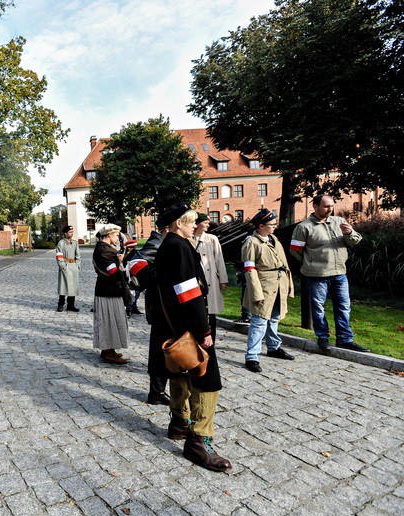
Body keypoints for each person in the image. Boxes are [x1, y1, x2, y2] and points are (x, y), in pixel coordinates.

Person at [149, 204, 231, 472]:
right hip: (189, 325)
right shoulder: (179, 246)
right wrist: (203, 329)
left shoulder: (170, 245)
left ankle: (179, 422)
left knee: (179, 373)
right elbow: (188, 292)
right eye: (190, 222)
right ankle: (199, 440)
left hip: (173, 324)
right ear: (177, 224)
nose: (194, 225)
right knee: (207, 379)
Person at [290, 195, 367, 352]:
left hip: (339, 273)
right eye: (326, 206)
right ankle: (323, 337)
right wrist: (310, 263)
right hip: (317, 275)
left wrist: (349, 233)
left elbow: (356, 240)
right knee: (318, 308)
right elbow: (295, 250)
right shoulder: (304, 227)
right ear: (316, 206)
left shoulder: (339, 222)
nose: (330, 209)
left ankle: (345, 339)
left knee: (344, 306)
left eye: (332, 206)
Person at [242, 209, 296, 372]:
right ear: (261, 226)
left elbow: (283, 262)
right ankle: (252, 356)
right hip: (264, 286)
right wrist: (256, 292)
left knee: (274, 318)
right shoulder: (252, 242)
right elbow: (249, 269)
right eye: (271, 224)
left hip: (278, 285)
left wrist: (288, 285)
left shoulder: (273, 239)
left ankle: (273, 347)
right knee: (259, 321)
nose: (274, 226)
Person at [130, 220, 170, 405]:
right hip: (161, 306)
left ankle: (160, 390)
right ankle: (156, 391)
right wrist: (161, 278)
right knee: (159, 350)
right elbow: (135, 263)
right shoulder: (157, 242)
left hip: (170, 305)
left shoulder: (171, 242)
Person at [92, 223, 129, 365]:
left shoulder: (105, 249)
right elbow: (113, 272)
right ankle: (107, 351)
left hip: (108, 290)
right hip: (108, 290)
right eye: (115, 235)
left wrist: (118, 260)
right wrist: (126, 273)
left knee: (111, 320)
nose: (117, 238)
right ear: (109, 235)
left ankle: (110, 349)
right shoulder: (105, 251)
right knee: (109, 321)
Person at [191, 213, 228, 343]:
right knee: (197, 311)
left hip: (210, 280)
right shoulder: (188, 239)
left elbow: (219, 259)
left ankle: (211, 339)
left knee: (210, 311)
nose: (208, 224)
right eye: (205, 222)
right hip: (195, 281)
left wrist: (223, 279)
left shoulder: (212, 239)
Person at [55, 225, 80, 312]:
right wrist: (63, 266)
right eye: (70, 232)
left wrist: (77, 265)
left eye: (72, 232)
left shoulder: (75, 243)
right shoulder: (61, 243)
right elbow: (59, 256)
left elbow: (78, 255)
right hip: (65, 265)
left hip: (73, 265)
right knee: (63, 285)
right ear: (65, 233)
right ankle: (61, 304)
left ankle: (71, 305)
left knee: (73, 286)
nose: (71, 234)